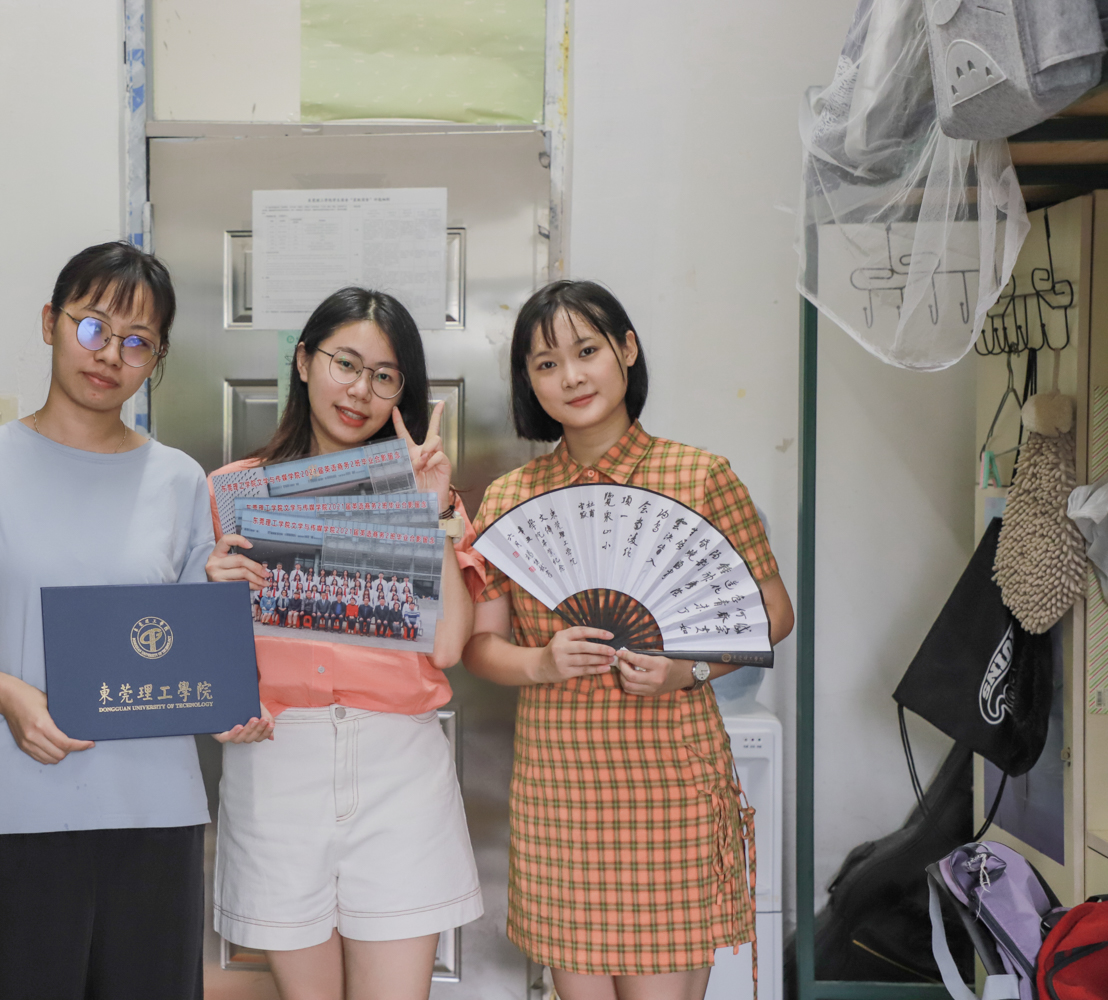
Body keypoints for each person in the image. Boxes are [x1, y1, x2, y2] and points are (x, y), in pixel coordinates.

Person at [0, 241, 267, 1000]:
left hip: (155, 812)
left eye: (138, 341)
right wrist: (10, 696)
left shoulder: (178, 480)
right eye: (93, 327)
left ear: (156, 358)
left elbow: (186, 645)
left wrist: (228, 678)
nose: (110, 354)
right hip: (17, 807)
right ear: (50, 323)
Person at [460, 280, 795, 1000]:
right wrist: (541, 661)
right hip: (560, 789)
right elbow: (482, 647)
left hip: (671, 781)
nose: (571, 376)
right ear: (528, 380)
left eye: (587, 351)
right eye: (546, 363)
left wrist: (687, 669)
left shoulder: (700, 477)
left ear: (627, 351)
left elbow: (772, 613)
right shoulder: (511, 498)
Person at [205, 287, 483, 1000]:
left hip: (398, 769)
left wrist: (432, 514)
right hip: (276, 762)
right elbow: (203, 654)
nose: (361, 390)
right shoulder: (231, 493)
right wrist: (214, 591)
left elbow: (450, 646)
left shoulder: (427, 493)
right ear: (304, 361)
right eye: (346, 364)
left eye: (385, 376)